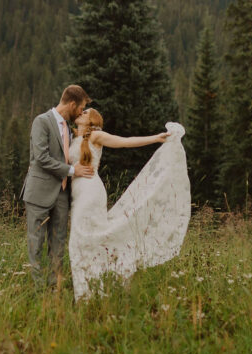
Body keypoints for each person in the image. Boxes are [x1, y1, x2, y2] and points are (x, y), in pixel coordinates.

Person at [68, 108, 190, 300]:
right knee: (85, 239)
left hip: (90, 192)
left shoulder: (96, 136)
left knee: (81, 240)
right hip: (78, 193)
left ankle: (88, 292)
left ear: (91, 121)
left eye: (85, 113)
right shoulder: (73, 138)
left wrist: (155, 138)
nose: (80, 113)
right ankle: (95, 287)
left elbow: (124, 142)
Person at [21, 85, 95, 289]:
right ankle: (38, 291)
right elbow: (41, 158)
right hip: (39, 193)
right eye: (80, 108)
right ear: (72, 104)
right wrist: (72, 171)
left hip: (62, 194)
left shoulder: (71, 130)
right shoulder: (41, 122)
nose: (81, 113)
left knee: (58, 244)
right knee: (36, 244)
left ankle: (54, 287)